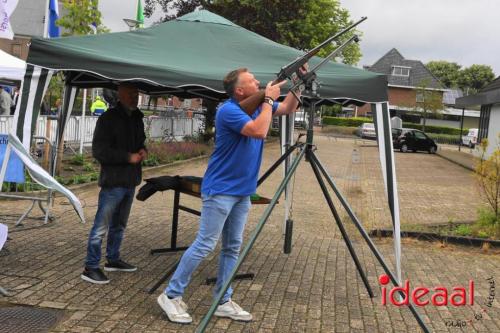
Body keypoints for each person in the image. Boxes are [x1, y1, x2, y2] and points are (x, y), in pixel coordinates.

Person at [157, 67, 304, 324]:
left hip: (242, 192)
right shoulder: (229, 110)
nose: (258, 82)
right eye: (252, 81)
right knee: (205, 244)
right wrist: (268, 100)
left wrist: (299, 84)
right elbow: (259, 131)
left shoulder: (258, 106)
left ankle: (222, 300)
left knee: (233, 247)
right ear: (240, 90)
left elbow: (289, 108)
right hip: (221, 190)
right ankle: (170, 295)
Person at [81, 83, 147, 284]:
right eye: (130, 94)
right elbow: (99, 151)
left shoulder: (137, 117)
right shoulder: (108, 118)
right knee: (101, 226)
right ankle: (90, 266)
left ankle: (113, 259)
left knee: (119, 225)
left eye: (136, 93)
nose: (134, 97)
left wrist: (143, 150)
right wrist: (128, 157)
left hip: (130, 180)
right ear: (120, 94)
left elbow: (140, 141)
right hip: (113, 182)